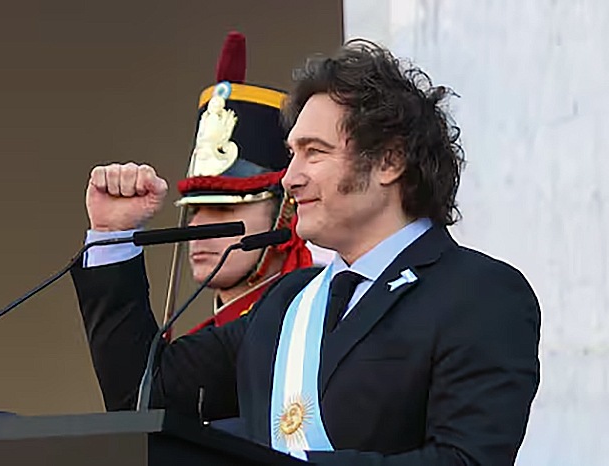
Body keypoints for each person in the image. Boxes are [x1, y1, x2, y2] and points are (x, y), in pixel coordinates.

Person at [72, 40, 540, 465]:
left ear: (390, 161)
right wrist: (113, 235)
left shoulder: (481, 294)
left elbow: (466, 460)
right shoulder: (287, 301)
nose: (290, 178)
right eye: (292, 153)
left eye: (314, 152)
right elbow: (143, 397)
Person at [82, 31, 313, 332]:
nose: (196, 228)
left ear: (287, 214)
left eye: (223, 209)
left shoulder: (316, 327)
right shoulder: (201, 342)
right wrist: (112, 233)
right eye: (194, 210)